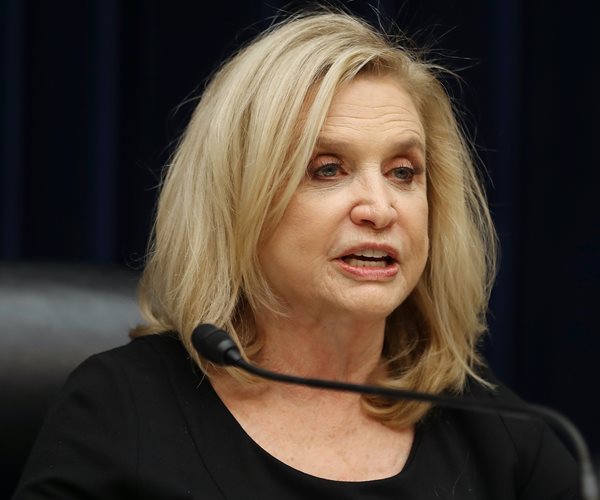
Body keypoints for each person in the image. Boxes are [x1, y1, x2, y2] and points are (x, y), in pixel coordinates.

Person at [13, 10, 580, 500]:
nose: (380, 208)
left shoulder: (500, 435)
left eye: (403, 172)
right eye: (328, 169)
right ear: (239, 202)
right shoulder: (121, 410)